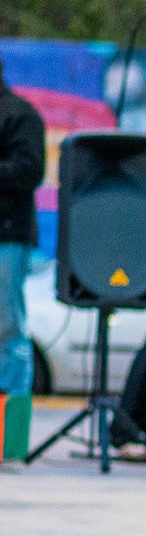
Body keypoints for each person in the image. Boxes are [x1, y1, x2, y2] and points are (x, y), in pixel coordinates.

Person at [0, 56, 46, 396]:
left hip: (7, 237)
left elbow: (30, 171)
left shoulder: (19, 114)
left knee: (7, 328)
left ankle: (10, 420)